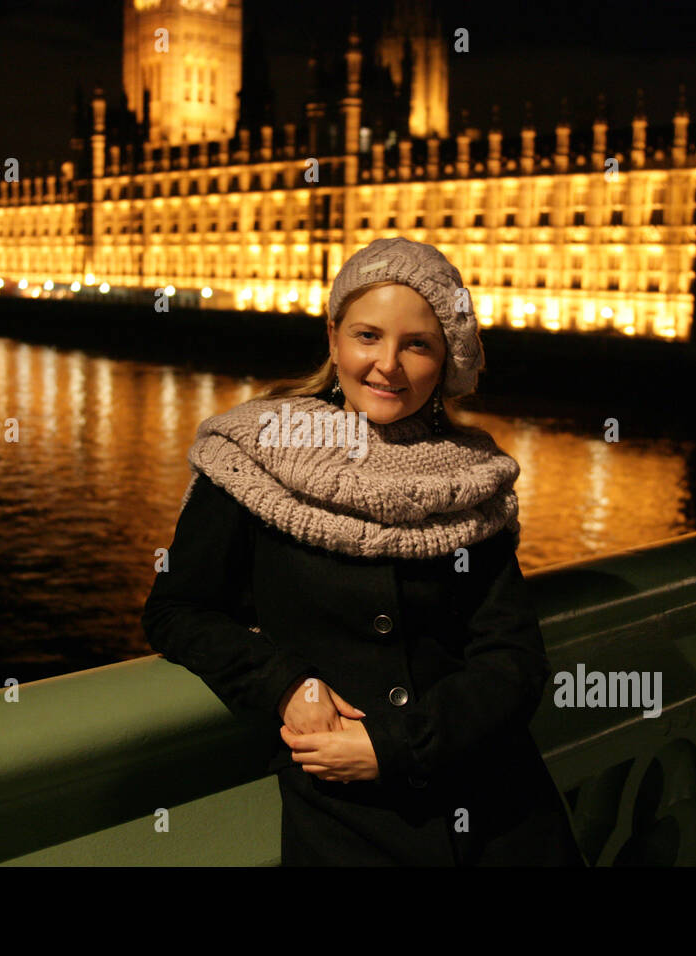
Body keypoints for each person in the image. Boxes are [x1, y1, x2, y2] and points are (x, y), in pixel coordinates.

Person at [142, 237, 585, 866]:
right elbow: (177, 609)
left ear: (447, 358)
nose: (387, 366)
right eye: (368, 336)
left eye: (417, 345)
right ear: (333, 338)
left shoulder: (471, 477)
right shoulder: (252, 453)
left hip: (502, 825)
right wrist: (286, 685)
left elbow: (512, 659)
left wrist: (395, 745)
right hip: (347, 827)